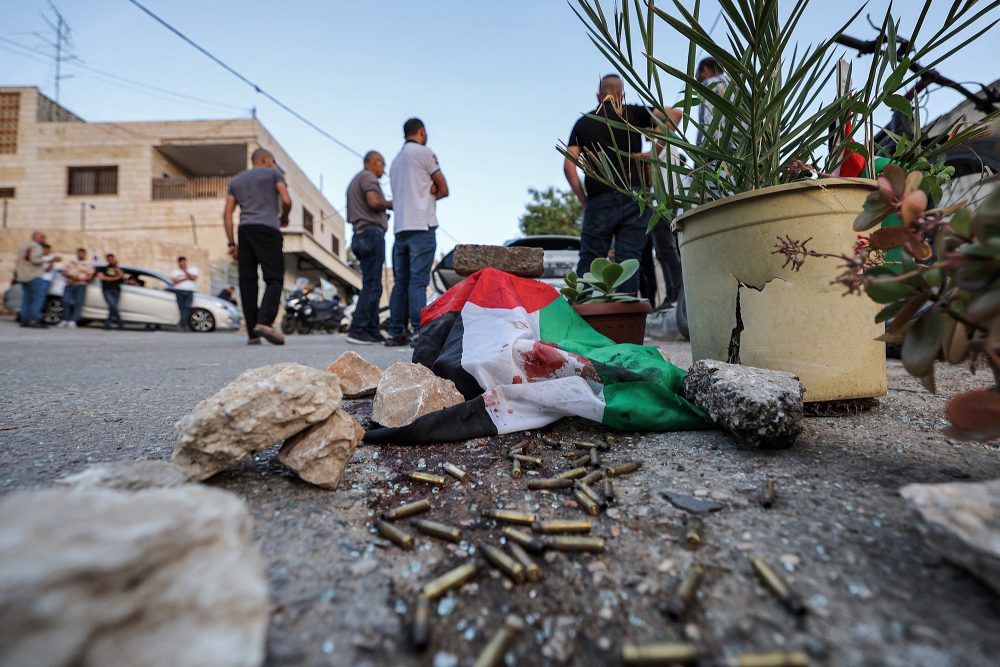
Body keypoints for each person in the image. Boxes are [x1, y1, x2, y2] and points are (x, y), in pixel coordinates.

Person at [564, 74, 658, 293]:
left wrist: (584, 201)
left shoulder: (584, 122)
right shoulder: (633, 113)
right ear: (621, 95)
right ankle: (628, 325)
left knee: (589, 261)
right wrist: (654, 151)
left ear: (599, 95)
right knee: (628, 262)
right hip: (636, 196)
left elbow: (569, 167)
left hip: (600, 198)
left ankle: (583, 320)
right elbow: (673, 115)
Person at [386, 118, 449, 347]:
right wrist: (432, 192)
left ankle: (395, 331)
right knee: (418, 281)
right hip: (421, 225)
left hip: (400, 229)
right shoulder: (424, 153)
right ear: (421, 132)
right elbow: (444, 188)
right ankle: (418, 331)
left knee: (400, 282)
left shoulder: (394, 162)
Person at [223, 147, 292, 346]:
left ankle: (252, 334)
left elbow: (227, 214)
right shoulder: (273, 173)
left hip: (245, 231)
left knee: (248, 281)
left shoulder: (237, 180)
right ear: (265, 159)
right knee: (274, 278)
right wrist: (284, 216)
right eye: (272, 161)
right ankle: (264, 322)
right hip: (268, 229)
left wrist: (231, 243)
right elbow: (286, 200)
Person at [345, 150, 392, 345]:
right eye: (382, 164)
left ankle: (372, 330)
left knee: (374, 284)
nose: (384, 169)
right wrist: (392, 204)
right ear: (373, 162)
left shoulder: (356, 180)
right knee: (372, 285)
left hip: (361, 234)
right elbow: (374, 201)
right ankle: (358, 329)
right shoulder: (368, 177)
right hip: (370, 234)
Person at [15, 230, 48, 328]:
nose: (44, 239)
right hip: (34, 275)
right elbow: (35, 259)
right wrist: (48, 259)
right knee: (37, 299)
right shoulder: (37, 247)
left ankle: (25, 319)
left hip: (24, 276)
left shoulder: (24, 246)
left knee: (26, 298)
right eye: (43, 237)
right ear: (37, 237)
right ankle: (34, 319)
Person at [58, 247, 94, 329]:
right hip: (69, 284)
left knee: (78, 303)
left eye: (82, 253)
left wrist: (78, 279)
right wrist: (70, 277)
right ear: (77, 253)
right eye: (79, 253)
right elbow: (63, 271)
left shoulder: (89, 264)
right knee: (65, 301)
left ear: (85, 254)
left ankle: (73, 321)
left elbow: (90, 276)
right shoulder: (70, 262)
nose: (81, 255)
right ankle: (65, 319)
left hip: (81, 285)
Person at [696, 57, 728, 146]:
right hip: (741, 147)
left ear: (705, 69)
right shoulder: (737, 86)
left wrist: (701, 147)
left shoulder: (709, 84)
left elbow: (706, 119)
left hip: (716, 147)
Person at [170, 256, 199, 332]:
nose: (183, 263)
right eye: (181, 262)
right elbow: (175, 281)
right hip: (179, 291)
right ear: (178, 263)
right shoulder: (175, 271)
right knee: (181, 309)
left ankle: (180, 324)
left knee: (187, 307)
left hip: (189, 292)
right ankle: (185, 326)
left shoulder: (192, 269)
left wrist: (185, 271)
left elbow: (193, 278)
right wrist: (186, 278)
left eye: (184, 262)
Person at [97, 253, 124, 329]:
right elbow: (101, 277)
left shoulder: (117, 268)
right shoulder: (103, 269)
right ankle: (119, 320)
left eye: (112, 258)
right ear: (107, 259)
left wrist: (116, 266)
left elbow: (121, 275)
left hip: (116, 289)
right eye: (109, 259)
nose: (111, 260)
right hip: (107, 289)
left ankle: (108, 324)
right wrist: (115, 278)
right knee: (112, 305)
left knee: (113, 306)